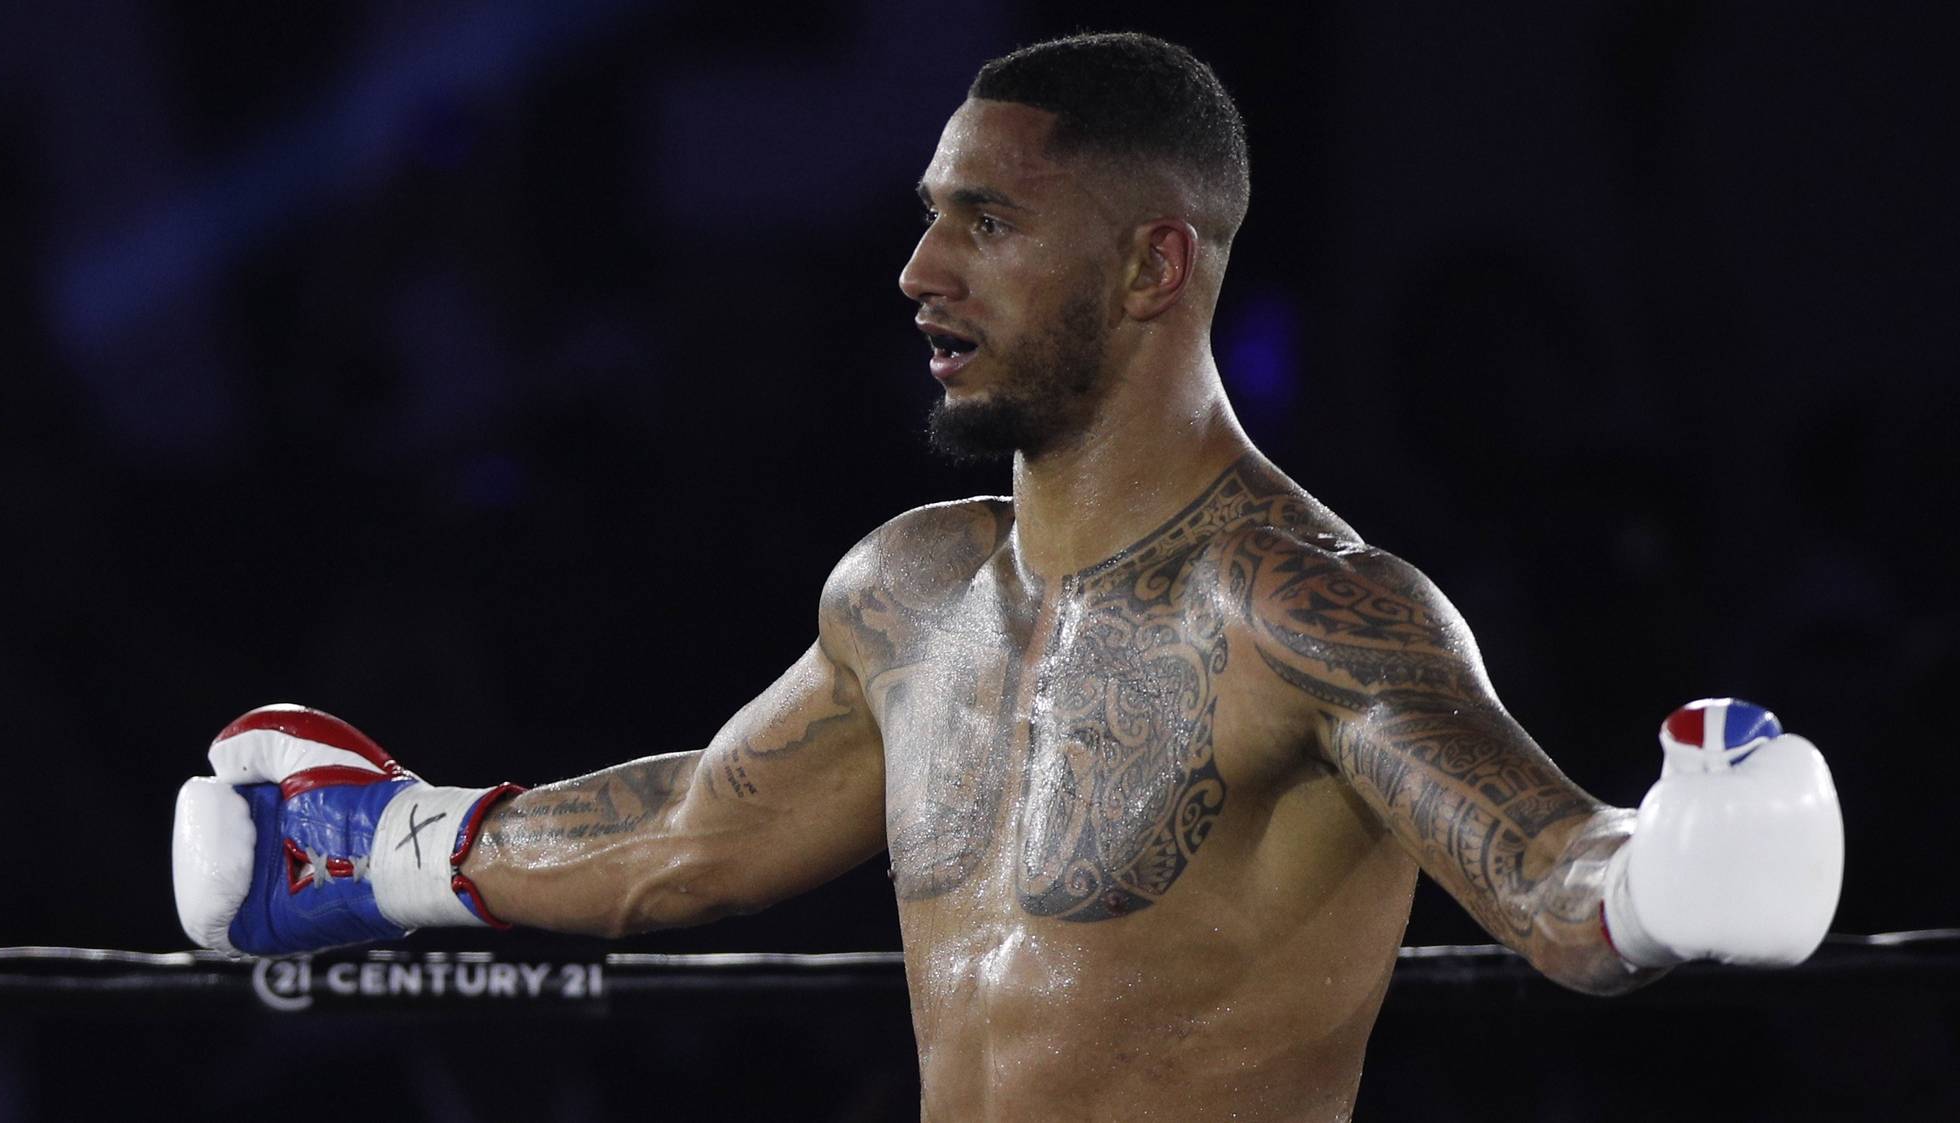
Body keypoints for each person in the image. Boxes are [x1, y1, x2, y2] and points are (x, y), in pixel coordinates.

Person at [172, 32, 1843, 1121]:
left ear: (1151, 265)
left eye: (984, 222)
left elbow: (1548, 882)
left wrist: (1669, 875)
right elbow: (692, 839)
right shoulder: (912, 592)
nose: (916, 272)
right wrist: (367, 846)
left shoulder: (1310, 608)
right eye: (926, 218)